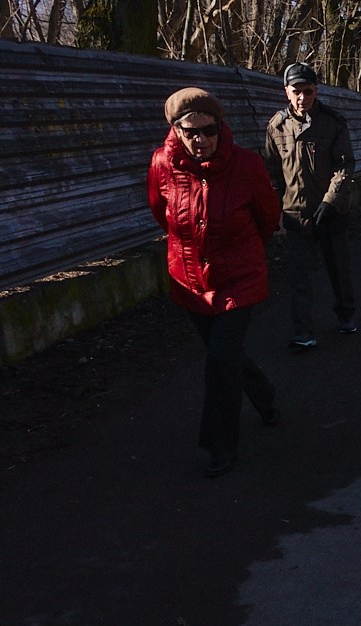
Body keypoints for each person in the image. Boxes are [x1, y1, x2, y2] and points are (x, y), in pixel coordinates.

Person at [147, 87, 282, 478]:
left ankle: (220, 446)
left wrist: (238, 252)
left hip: (239, 279)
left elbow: (268, 218)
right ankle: (265, 398)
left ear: (221, 128)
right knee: (226, 355)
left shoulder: (247, 165)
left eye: (208, 130)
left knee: (220, 360)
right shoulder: (161, 164)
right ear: (176, 131)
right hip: (189, 281)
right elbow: (161, 213)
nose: (200, 140)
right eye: (190, 132)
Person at [264, 62, 357, 349]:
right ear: (286, 92)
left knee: (339, 270)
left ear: (316, 91)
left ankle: (345, 315)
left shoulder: (333, 123)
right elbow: (272, 172)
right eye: (297, 92)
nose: (302, 97)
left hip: (330, 212)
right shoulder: (277, 126)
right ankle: (303, 332)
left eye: (308, 91)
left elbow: (344, 166)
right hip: (295, 214)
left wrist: (330, 201)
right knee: (298, 277)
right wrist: (276, 212)